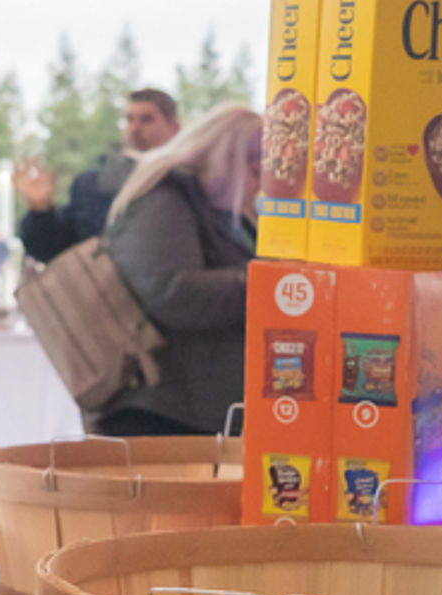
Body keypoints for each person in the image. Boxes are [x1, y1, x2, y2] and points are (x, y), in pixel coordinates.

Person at [92, 102, 261, 438]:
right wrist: (267, 284)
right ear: (230, 158)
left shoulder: (206, 205)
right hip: (165, 410)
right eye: (256, 171)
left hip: (191, 405)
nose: (261, 183)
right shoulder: (164, 197)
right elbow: (172, 291)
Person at [16, 88, 181, 263]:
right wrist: (40, 210)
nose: (134, 128)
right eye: (129, 119)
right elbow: (52, 249)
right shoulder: (91, 187)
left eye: (147, 119)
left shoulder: (189, 183)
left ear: (174, 128)